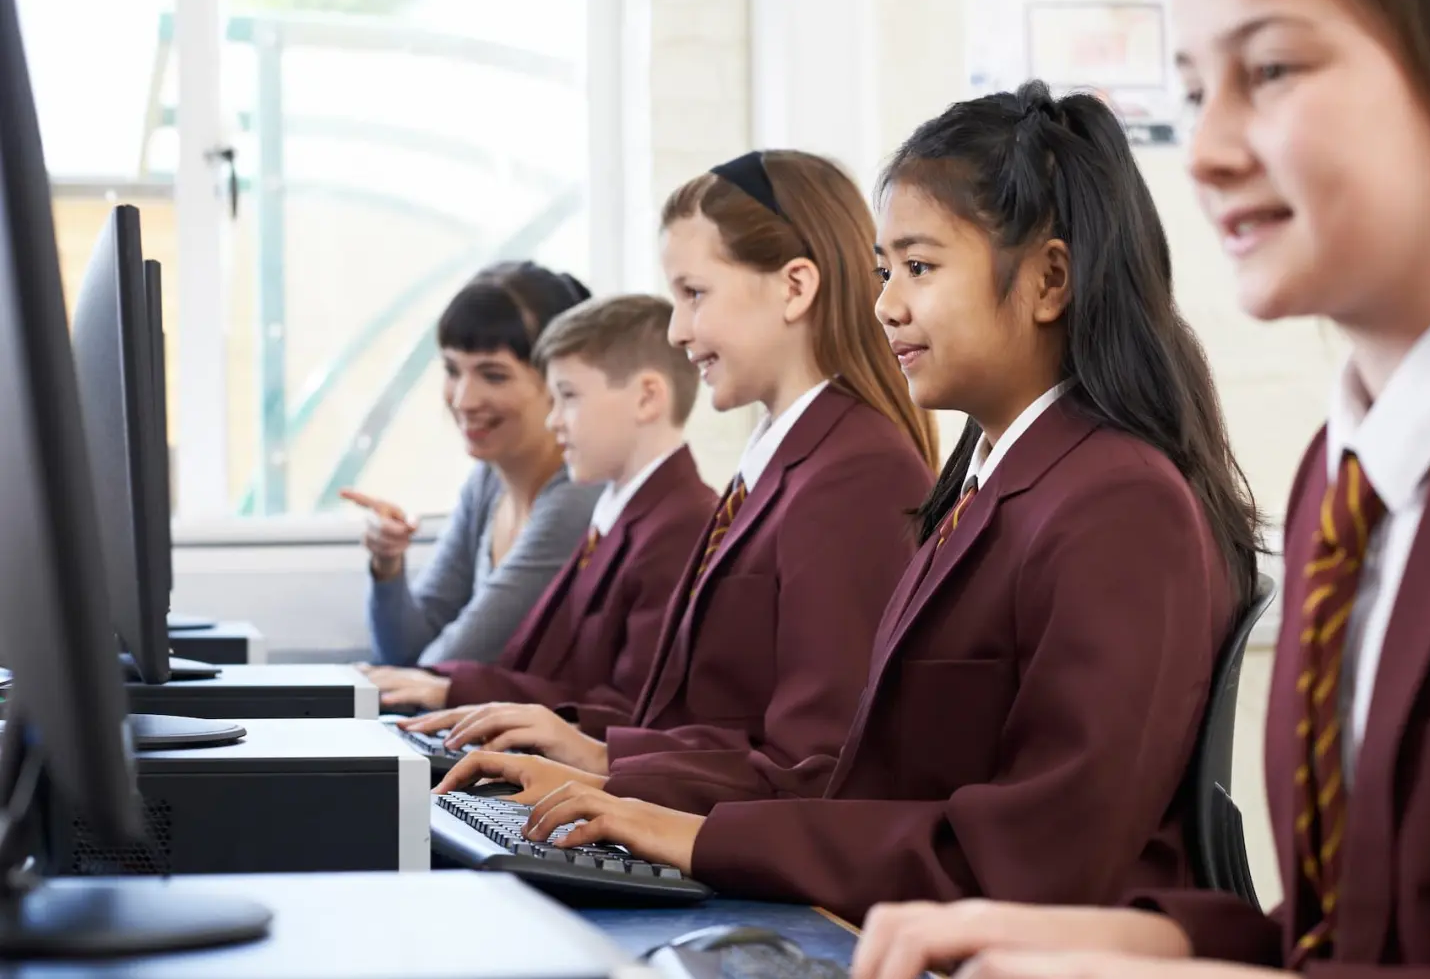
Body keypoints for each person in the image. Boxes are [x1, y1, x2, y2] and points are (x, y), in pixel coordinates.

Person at [436, 84, 1260, 924]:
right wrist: (642, 797)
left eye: (921, 267)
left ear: (1049, 279)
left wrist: (692, 834)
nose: (886, 304)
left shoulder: (1118, 503)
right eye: (883, 271)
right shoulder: (990, 486)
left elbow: (1042, 851)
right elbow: (862, 773)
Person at [841, 0, 1430, 978]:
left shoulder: (1137, 495)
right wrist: (1155, 940)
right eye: (1194, 93)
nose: (1205, 153)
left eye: (1270, 70)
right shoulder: (1345, 470)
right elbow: (1377, 933)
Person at [416, 149, 939, 812]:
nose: (676, 329)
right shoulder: (782, 462)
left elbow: (817, 766)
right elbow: (705, 721)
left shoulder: (855, 472)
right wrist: (592, 748)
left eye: (694, 294)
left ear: (795, 288)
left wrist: (609, 769)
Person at [365, 294, 717, 734]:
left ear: (647, 398)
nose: (553, 422)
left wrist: (455, 689)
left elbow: (633, 712)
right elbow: (553, 675)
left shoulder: (680, 525)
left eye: (567, 397)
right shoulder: (616, 517)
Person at [347, 261, 601, 669]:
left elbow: (441, 670)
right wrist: (387, 565)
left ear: (559, 378)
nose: (463, 400)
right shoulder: (488, 482)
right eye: (451, 370)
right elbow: (404, 654)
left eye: (493, 375)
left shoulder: (578, 497)